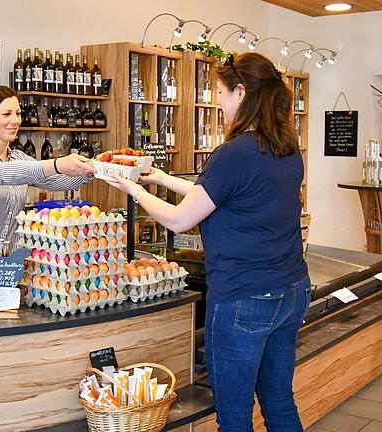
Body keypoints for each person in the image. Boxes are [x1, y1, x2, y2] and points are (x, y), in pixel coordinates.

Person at [105, 52, 310, 431]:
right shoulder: (286, 147)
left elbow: (181, 219)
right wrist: (161, 179)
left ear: (242, 92)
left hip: (244, 297)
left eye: (220, 91)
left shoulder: (232, 154)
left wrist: (131, 187)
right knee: (279, 401)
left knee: (233, 417)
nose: (217, 101)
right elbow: (218, 195)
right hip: (292, 288)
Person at [0, 85, 95, 246]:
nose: (15, 121)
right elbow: (2, 173)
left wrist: (95, 169)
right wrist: (58, 164)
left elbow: (55, 180)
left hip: (8, 262)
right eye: (7, 114)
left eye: (18, 113)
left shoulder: (17, 158)